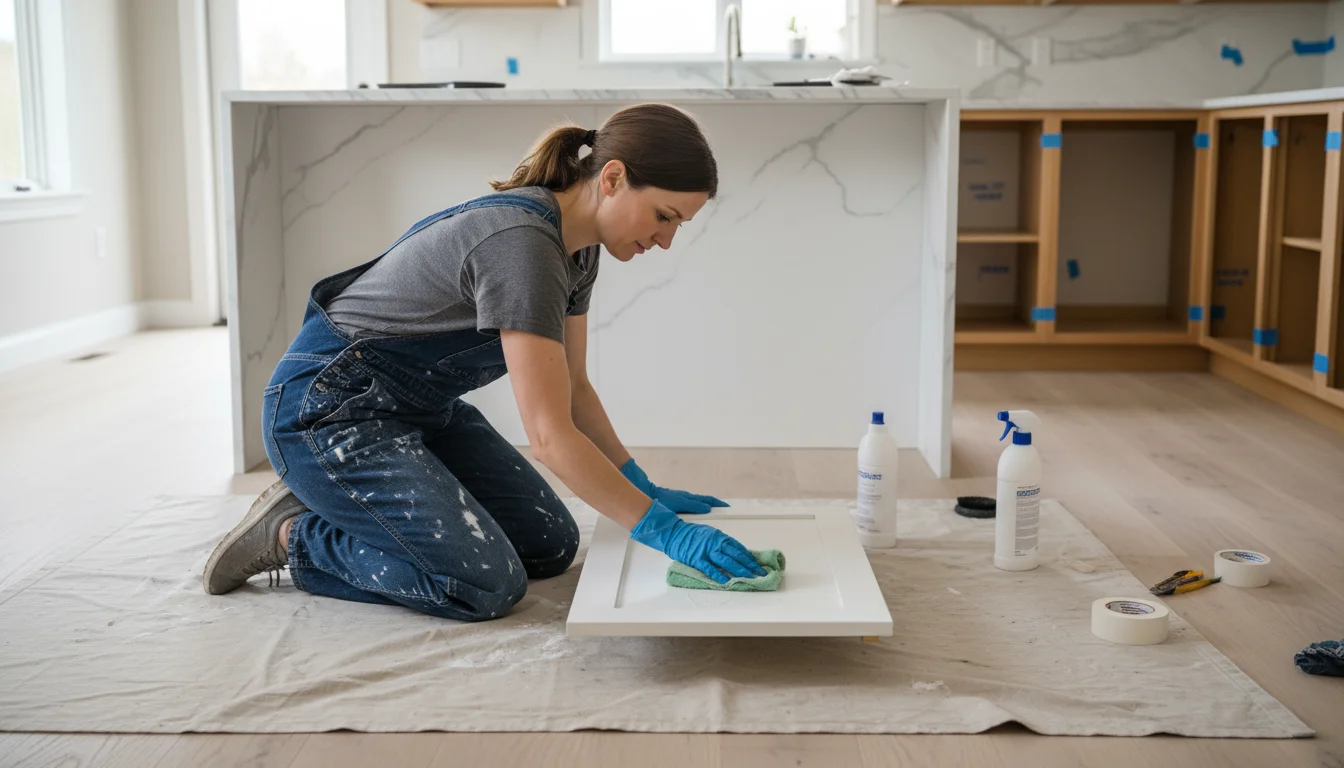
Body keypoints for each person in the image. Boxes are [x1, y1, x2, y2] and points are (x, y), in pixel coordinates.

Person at [202, 103, 766, 620]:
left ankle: (360, 499)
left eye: (677, 225)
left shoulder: (579, 250)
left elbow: (573, 388)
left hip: (418, 411)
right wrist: (664, 532)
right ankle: (292, 535)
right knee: (484, 585)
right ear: (613, 178)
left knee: (549, 547)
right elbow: (548, 436)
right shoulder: (521, 246)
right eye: (664, 216)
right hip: (329, 412)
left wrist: (636, 482)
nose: (665, 240)